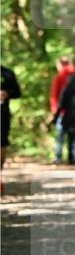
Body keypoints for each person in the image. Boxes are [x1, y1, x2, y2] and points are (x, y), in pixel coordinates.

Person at [49, 56, 75, 165]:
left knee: (60, 135)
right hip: (74, 112)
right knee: (72, 135)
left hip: (61, 112)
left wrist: (54, 110)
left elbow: (54, 95)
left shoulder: (59, 76)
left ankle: (58, 157)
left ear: (60, 64)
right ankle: (73, 158)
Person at [1, 65, 21, 193]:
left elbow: (18, 93)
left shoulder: (7, 73)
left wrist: (7, 93)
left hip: (2, 114)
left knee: (1, 143)